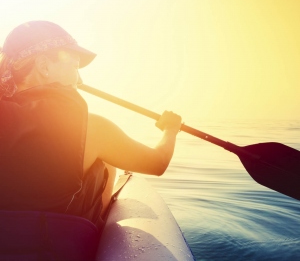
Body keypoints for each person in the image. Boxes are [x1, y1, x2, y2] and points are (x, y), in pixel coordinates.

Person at [0, 20, 182, 229]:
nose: (80, 80)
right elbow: (158, 163)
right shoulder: (92, 129)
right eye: (75, 67)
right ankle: (100, 228)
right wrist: (171, 129)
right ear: (44, 66)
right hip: (54, 247)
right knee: (105, 161)